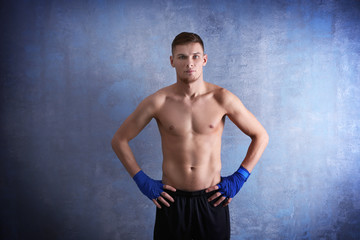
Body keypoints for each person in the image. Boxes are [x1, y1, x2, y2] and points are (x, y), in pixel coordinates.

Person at [111, 32, 269, 240]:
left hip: (212, 199)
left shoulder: (222, 98)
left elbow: (261, 135)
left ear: (204, 59)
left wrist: (240, 177)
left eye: (195, 56)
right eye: (182, 57)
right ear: (172, 61)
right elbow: (119, 140)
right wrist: (142, 181)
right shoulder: (158, 101)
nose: (189, 63)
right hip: (171, 200)